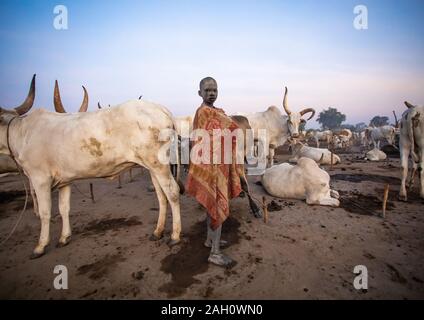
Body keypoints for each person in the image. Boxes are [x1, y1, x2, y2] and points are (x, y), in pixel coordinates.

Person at [185, 77, 262, 267]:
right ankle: (215, 253)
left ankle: (210, 240)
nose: (211, 93)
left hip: (213, 166)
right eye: (207, 90)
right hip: (211, 167)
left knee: (210, 206)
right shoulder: (205, 112)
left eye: (214, 90)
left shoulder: (211, 112)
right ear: (200, 93)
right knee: (217, 205)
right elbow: (233, 128)